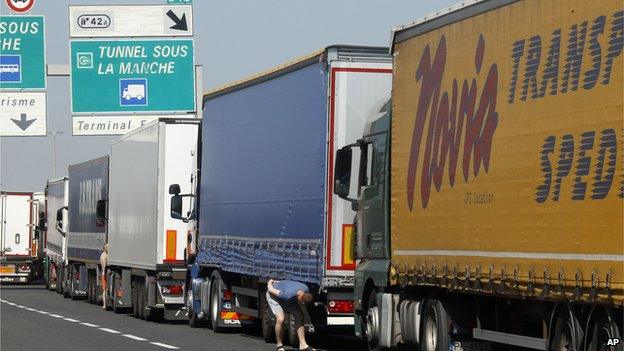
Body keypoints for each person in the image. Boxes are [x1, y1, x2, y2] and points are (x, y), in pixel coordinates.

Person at [266, 279, 316, 351]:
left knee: (299, 316)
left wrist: (279, 282)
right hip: (274, 296)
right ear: (300, 298)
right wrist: (270, 282)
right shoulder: (287, 295)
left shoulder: (306, 289)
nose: (301, 304)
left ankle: (303, 345)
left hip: (291, 298)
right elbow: (270, 289)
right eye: (302, 302)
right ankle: (279, 346)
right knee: (281, 319)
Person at [99, 244, 108, 310]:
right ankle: (104, 305)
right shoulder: (104, 256)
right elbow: (104, 266)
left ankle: (105, 304)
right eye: (108, 247)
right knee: (105, 290)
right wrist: (104, 274)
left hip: (104, 274)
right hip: (104, 274)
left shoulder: (104, 255)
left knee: (105, 290)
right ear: (105, 248)